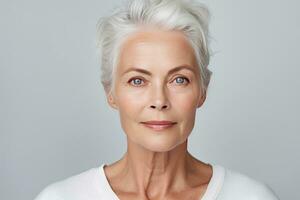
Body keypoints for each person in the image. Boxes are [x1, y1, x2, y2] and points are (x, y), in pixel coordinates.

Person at [34, 0, 280, 199]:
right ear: (110, 93)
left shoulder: (251, 196)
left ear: (202, 90)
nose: (159, 101)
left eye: (179, 79)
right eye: (138, 81)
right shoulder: (60, 197)